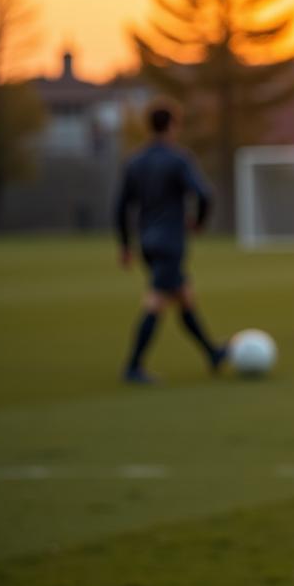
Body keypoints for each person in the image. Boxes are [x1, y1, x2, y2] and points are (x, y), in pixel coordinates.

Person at [114, 102, 226, 383]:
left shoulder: (135, 161)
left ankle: (212, 353)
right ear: (173, 126)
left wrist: (126, 245)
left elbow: (120, 206)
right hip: (170, 243)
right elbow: (204, 194)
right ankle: (133, 366)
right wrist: (199, 223)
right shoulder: (178, 160)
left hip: (147, 243)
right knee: (156, 301)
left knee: (184, 298)